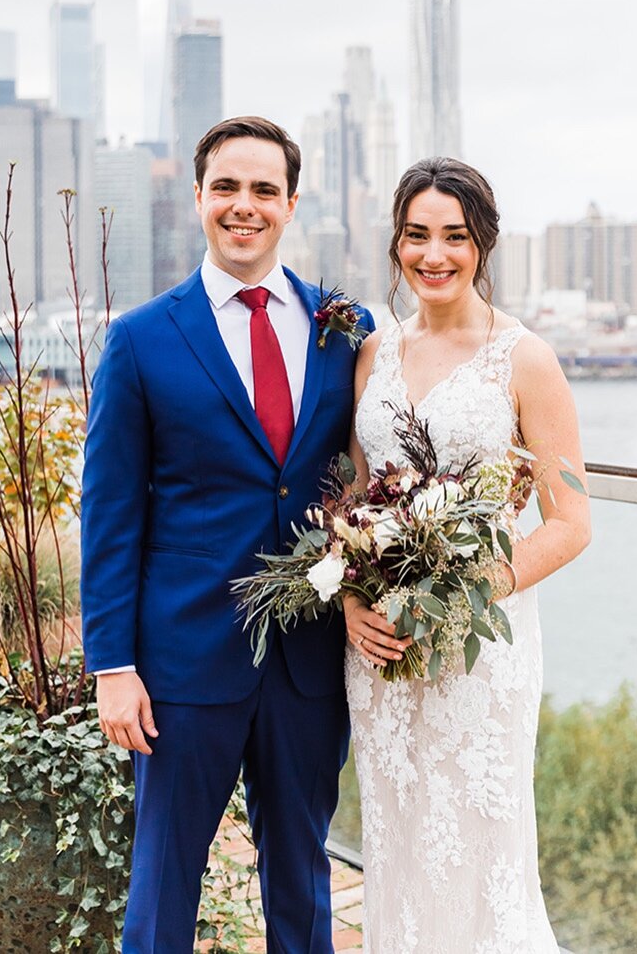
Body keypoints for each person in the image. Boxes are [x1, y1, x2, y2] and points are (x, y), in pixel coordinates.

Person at [79, 116, 374, 954]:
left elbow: (360, 475)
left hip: (308, 661)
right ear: (199, 199)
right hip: (180, 666)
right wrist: (112, 666)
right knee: (164, 889)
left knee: (303, 887)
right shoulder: (141, 339)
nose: (244, 206)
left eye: (264, 190)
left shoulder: (342, 328)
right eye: (227, 188)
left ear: (289, 204)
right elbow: (108, 513)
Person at [343, 157, 590, 954]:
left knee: (480, 855)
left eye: (454, 236)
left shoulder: (526, 360)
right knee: (396, 848)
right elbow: (353, 500)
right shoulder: (373, 352)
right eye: (417, 236)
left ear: (482, 244)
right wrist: (351, 603)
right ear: (397, 244)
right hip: (381, 654)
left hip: (478, 655)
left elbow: (572, 521)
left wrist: (475, 588)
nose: (434, 255)